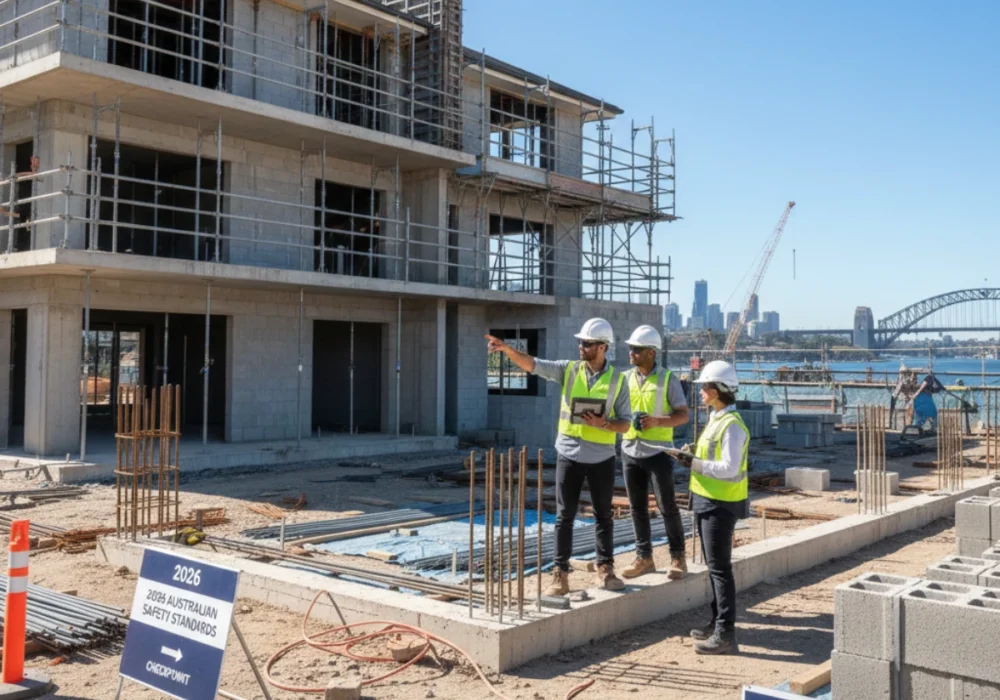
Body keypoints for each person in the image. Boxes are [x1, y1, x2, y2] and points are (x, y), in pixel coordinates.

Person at [485, 318, 631, 595]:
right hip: (569, 453)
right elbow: (533, 364)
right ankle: (560, 574)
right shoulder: (569, 370)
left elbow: (625, 423)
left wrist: (603, 424)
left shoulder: (618, 380)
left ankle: (605, 569)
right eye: (580, 342)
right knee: (565, 516)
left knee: (603, 516)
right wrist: (507, 350)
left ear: (602, 347)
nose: (580, 346)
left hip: (601, 456)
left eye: (586, 343)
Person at [672, 360, 748, 655]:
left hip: (721, 503)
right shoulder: (717, 418)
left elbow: (728, 468)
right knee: (714, 567)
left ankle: (725, 633)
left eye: (705, 386)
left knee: (720, 569)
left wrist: (694, 463)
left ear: (717, 391)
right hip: (707, 499)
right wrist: (691, 455)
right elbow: (710, 456)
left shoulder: (732, 425)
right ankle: (716, 621)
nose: (700, 391)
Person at [618, 325, 690, 580]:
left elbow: (683, 415)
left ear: (651, 352)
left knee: (667, 506)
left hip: (659, 452)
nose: (631, 353)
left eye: (636, 349)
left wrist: (657, 421)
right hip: (630, 449)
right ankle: (644, 558)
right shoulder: (624, 378)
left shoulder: (667, 379)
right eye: (630, 348)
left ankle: (677, 556)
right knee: (637, 508)